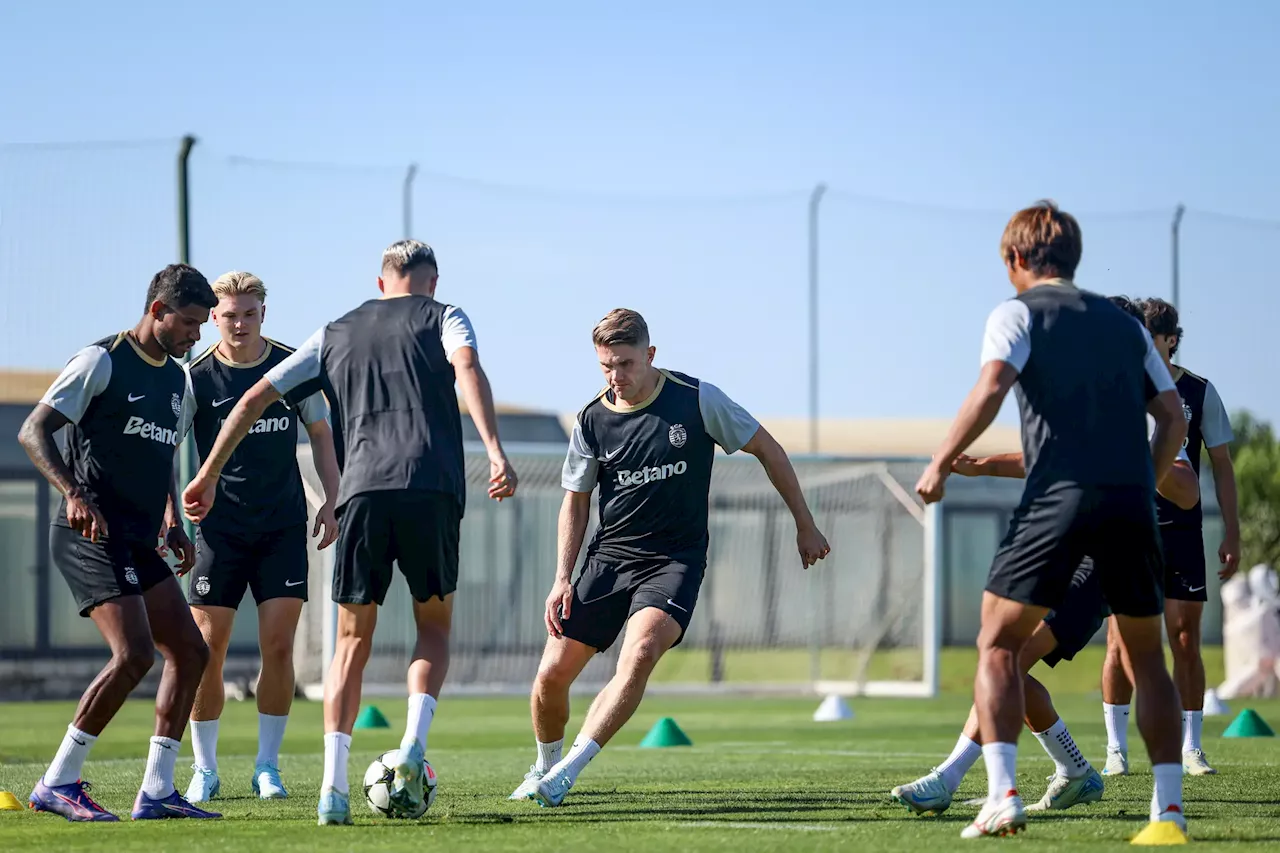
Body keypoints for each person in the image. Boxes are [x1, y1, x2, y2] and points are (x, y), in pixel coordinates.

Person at [182, 240, 516, 826]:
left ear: (381, 282)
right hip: (432, 487)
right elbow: (467, 368)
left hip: (362, 492)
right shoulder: (446, 315)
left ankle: (332, 789)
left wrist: (205, 473)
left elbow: (254, 397)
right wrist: (494, 451)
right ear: (431, 281)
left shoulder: (334, 330)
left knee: (349, 644)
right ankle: (413, 746)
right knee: (432, 628)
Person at [913, 201, 1190, 843]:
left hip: (1057, 501)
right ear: (1075, 258)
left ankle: (1002, 795)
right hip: (1129, 506)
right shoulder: (1127, 328)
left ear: (1014, 260)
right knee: (1149, 662)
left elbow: (990, 389)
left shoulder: (1015, 313)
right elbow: (1173, 418)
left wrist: (943, 462)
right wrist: (1140, 482)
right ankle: (1168, 814)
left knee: (998, 645)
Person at [511, 308, 830, 808]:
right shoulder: (592, 419)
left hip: (673, 561)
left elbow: (768, 449)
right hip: (609, 560)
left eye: (625, 363)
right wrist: (561, 578)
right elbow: (574, 500)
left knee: (637, 655)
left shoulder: (698, 400)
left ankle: (567, 774)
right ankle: (545, 765)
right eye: (605, 367)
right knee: (550, 677)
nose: (616, 378)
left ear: (650, 355)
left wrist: (804, 524)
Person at [892, 366, 1201, 817]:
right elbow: (1041, 459)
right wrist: (977, 468)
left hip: (1101, 565)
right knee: (1002, 662)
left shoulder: (1146, 420)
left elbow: (1188, 490)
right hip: (1063, 557)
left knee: (1008, 660)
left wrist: (1137, 458)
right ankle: (1074, 771)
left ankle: (949, 778)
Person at [19, 264, 221, 821]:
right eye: (188, 323)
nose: (195, 336)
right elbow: (32, 431)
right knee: (133, 653)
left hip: (137, 537)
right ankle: (57, 782)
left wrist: (174, 520)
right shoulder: (101, 361)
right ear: (157, 311)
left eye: (201, 325)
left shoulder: (177, 382)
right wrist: (72, 492)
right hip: (89, 532)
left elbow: (159, 460)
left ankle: (156, 791)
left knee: (189, 650)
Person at [181, 271, 341, 803]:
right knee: (207, 650)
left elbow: (321, 433)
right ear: (213, 318)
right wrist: (167, 511)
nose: (239, 323)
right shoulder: (195, 378)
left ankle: (267, 767)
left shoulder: (292, 368)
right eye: (229, 314)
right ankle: (204, 769)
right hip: (219, 532)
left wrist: (333, 497)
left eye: (249, 313)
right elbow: (163, 451)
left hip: (280, 528)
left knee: (278, 645)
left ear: (263, 314)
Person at [1100, 296, 1239, 777]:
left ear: (1170, 340)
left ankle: (1192, 746)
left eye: (1149, 337)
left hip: (1181, 531)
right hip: (1128, 528)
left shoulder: (1199, 392)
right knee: (1119, 642)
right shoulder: (1120, 387)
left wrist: (1233, 531)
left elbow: (1221, 465)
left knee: (1185, 638)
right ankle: (1116, 749)